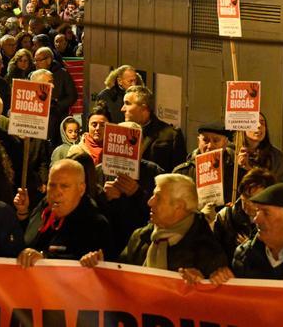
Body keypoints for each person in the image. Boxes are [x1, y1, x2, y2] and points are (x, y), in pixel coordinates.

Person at [98, 174, 229, 281]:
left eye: (158, 198)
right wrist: (99, 266)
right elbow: (118, 278)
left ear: (179, 206)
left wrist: (202, 285)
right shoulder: (140, 237)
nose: (150, 202)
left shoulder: (208, 251)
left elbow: (214, 305)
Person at [15, 160, 115, 267]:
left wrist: (44, 259)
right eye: (52, 185)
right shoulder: (43, 208)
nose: (56, 192)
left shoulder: (96, 225)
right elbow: (26, 241)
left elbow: (84, 266)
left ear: (81, 189)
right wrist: (23, 213)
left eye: (64, 186)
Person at [92, 121, 166, 255]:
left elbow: (163, 213)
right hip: (106, 244)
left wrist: (137, 193)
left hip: (140, 246)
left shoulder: (154, 172)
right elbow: (90, 211)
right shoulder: (98, 172)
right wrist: (104, 197)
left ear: (141, 145)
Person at [173, 122, 237, 214]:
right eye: (206, 140)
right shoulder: (182, 173)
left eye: (216, 140)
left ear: (225, 143)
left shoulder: (236, 172)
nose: (210, 146)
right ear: (198, 141)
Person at [213, 168, 276, 260]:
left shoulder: (276, 220)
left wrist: (251, 249)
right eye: (246, 196)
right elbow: (214, 253)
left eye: (255, 199)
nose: (248, 203)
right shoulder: (225, 217)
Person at [122, 85, 187, 173]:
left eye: (127, 103)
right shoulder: (121, 131)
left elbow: (178, 174)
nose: (122, 109)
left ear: (144, 108)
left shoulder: (171, 135)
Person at [33, 47, 77, 136]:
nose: (36, 63)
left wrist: (56, 106)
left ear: (49, 60)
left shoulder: (63, 74)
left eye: (39, 60)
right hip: (38, 120)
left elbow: (72, 96)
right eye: (35, 60)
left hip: (57, 118)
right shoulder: (33, 74)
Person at [237, 113, 283, 182]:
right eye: (254, 122)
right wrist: (238, 167)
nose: (259, 126)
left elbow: (280, 186)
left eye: (262, 123)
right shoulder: (231, 152)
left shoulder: (275, 156)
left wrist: (249, 168)